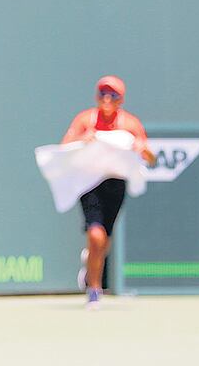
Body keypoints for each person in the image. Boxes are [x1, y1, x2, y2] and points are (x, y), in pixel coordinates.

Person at [61, 76, 155, 309]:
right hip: (89, 183)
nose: (106, 98)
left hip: (115, 186)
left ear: (120, 99)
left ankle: (90, 264)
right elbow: (64, 147)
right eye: (103, 93)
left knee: (104, 242)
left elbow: (151, 158)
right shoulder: (86, 120)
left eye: (112, 95)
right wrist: (83, 140)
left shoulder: (130, 124)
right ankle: (94, 289)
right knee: (96, 235)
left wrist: (141, 149)